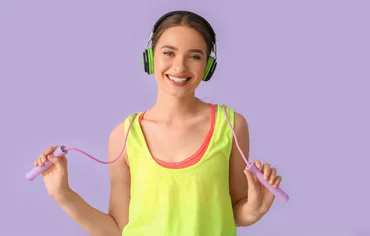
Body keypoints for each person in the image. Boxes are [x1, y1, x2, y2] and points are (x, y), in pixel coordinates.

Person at [32, 10, 283, 236]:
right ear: (150, 58)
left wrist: (253, 210)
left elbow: (234, 210)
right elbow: (117, 229)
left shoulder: (231, 125)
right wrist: (62, 194)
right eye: (168, 53)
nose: (179, 66)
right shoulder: (124, 136)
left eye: (194, 56)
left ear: (208, 67)